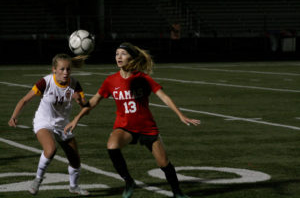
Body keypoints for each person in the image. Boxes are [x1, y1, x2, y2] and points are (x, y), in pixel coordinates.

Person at [64, 42, 200, 198]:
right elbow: (93, 102)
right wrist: (77, 116)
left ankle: (178, 193)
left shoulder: (142, 78)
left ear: (131, 58)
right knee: (112, 146)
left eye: (123, 53)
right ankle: (129, 181)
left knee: (164, 163)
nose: (119, 57)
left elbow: (164, 96)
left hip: (146, 127)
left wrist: (180, 115)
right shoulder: (111, 81)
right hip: (124, 127)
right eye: (117, 54)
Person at [8, 53, 90, 196]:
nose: (65, 73)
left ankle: (74, 186)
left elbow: (86, 107)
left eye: (68, 69)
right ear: (54, 69)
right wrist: (14, 116)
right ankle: (37, 180)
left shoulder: (75, 84)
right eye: (62, 69)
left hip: (63, 124)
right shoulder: (45, 82)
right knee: (51, 149)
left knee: (75, 160)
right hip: (44, 121)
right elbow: (25, 100)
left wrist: (80, 101)